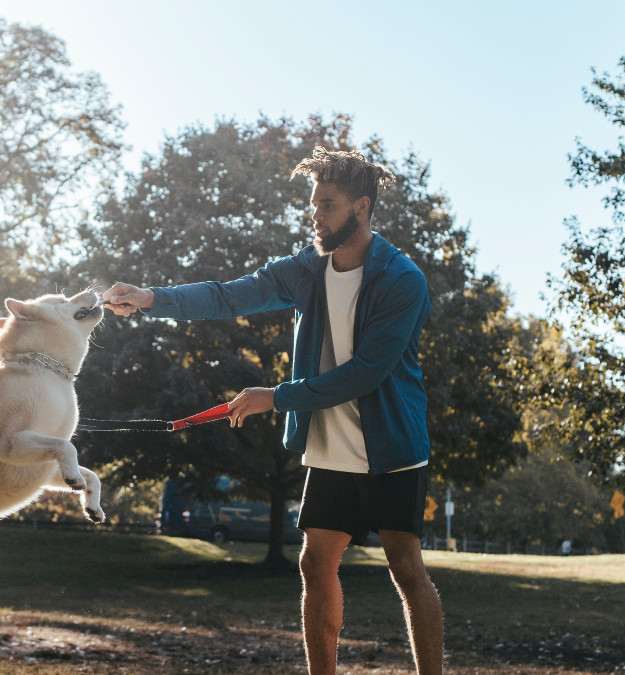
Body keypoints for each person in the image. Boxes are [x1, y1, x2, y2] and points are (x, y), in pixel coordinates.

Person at [102, 146, 444, 675]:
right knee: (314, 562)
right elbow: (226, 297)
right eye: (313, 204)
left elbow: (367, 372)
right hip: (330, 449)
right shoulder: (304, 271)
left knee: (405, 567)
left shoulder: (403, 279)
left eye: (326, 204)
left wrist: (274, 397)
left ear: (362, 207)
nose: (315, 214)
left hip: (391, 449)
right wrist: (151, 297)